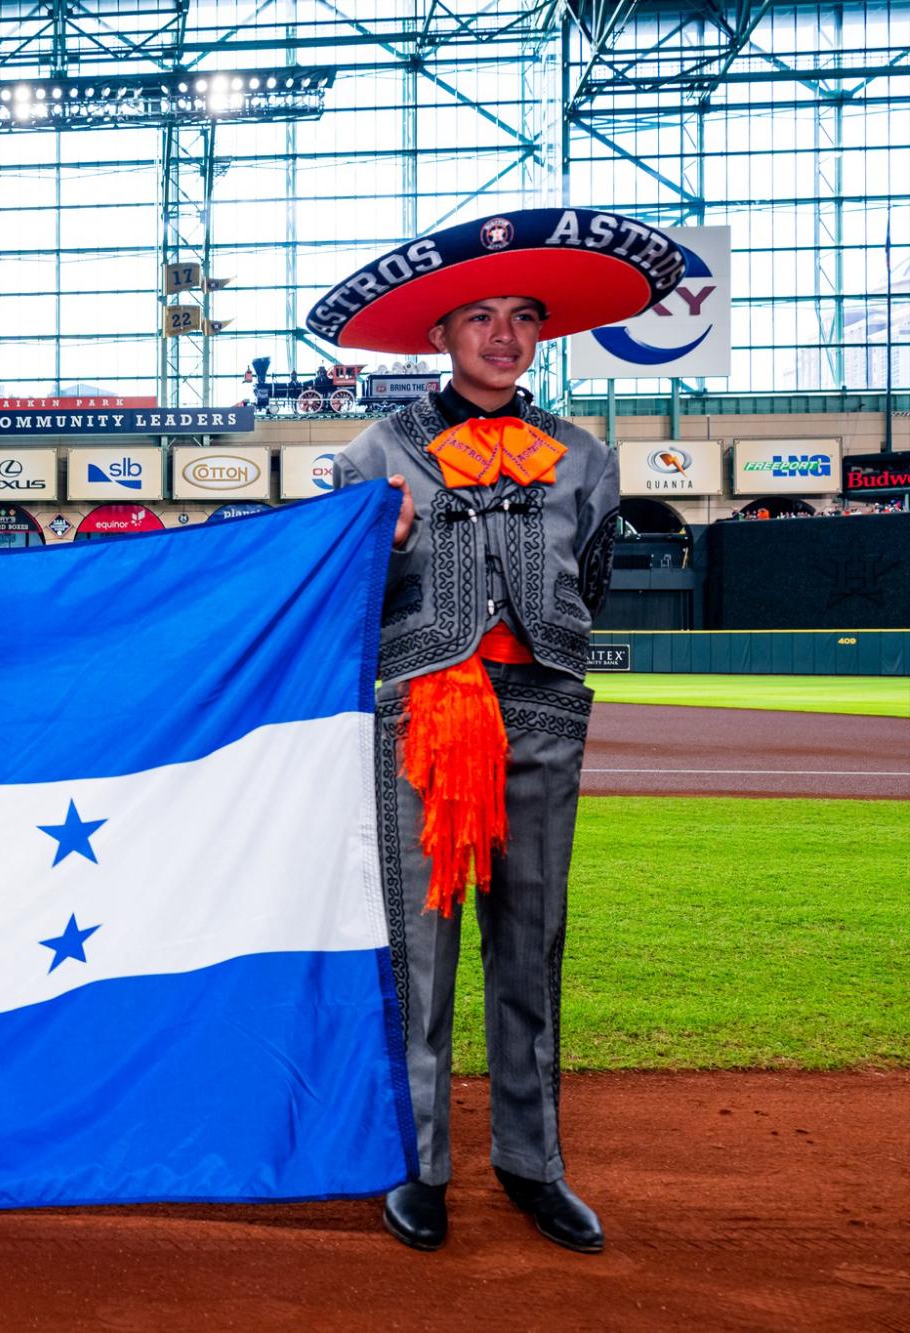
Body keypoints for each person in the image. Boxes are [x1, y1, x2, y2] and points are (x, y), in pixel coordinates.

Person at [310, 208, 686, 1256]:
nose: (503, 335)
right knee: (417, 957)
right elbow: (337, 606)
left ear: (540, 335)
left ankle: (530, 1162)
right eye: (479, 316)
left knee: (531, 945)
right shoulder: (369, 454)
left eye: (522, 317)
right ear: (440, 332)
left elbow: (590, 582)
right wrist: (374, 554)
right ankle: (418, 1165)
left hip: (541, 714)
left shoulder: (581, 455)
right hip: (417, 725)